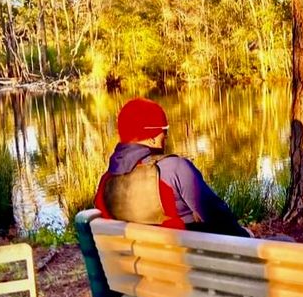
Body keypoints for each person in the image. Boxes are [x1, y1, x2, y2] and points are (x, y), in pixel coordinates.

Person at [94, 98, 252, 237]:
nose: (166, 137)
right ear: (152, 136)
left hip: (131, 269)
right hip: (184, 268)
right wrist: (246, 235)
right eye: (164, 131)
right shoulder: (173, 169)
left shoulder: (105, 183)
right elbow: (221, 221)